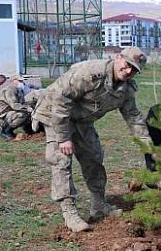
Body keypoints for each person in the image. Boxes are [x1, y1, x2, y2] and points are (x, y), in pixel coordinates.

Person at [32, 46, 151, 232]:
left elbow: (134, 118)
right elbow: (61, 100)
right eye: (127, 65)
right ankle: (69, 212)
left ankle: (98, 205)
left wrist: (149, 148)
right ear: (118, 57)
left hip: (82, 120)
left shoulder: (125, 89)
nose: (128, 71)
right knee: (61, 160)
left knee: (94, 157)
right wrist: (63, 137)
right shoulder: (89, 74)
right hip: (55, 114)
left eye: (134, 69)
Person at [0, 76, 38, 140]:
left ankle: (29, 130)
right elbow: (14, 105)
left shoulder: (18, 90)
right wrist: (28, 108)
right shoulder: (10, 89)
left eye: (22, 81)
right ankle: (5, 131)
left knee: (29, 112)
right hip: (0, 117)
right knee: (23, 114)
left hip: (7, 113)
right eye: (19, 81)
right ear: (13, 81)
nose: (22, 83)